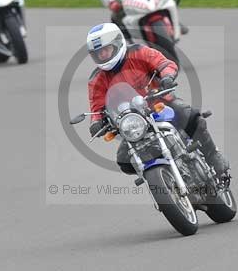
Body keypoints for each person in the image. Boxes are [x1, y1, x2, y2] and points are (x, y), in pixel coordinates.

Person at [85, 22, 228, 175]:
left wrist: (167, 76)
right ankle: (163, 174)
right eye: (98, 53)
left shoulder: (139, 52)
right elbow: (96, 107)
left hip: (161, 103)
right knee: (124, 161)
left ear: (118, 43)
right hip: (133, 122)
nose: (102, 56)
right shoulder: (96, 79)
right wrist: (96, 122)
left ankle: (213, 155)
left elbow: (164, 63)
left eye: (106, 50)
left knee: (191, 117)